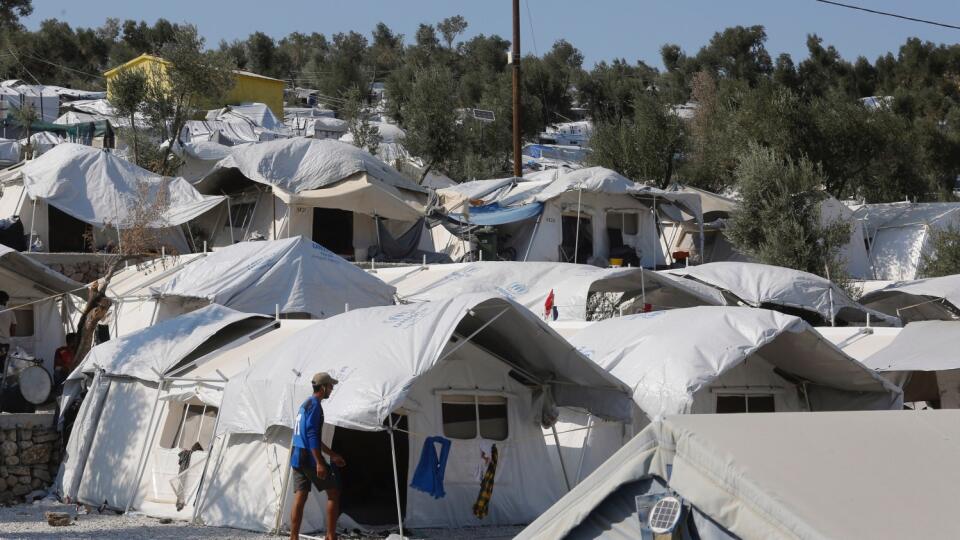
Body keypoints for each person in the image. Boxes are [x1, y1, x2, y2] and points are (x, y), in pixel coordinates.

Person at [289, 372, 346, 540]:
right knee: (334, 492)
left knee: (300, 495)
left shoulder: (305, 404)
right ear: (322, 387)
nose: (332, 389)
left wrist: (332, 454)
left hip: (297, 455)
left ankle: (293, 538)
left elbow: (307, 434)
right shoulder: (315, 405)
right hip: (308, 457)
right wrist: (320, 462)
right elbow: (312, 435)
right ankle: (330, 536)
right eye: (330, 386)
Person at [0, 290, 16, 372]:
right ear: (5, 300)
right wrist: (10, 337)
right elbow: (13, 328)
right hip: (4, 344)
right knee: (1, 363)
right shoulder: (10, 312)